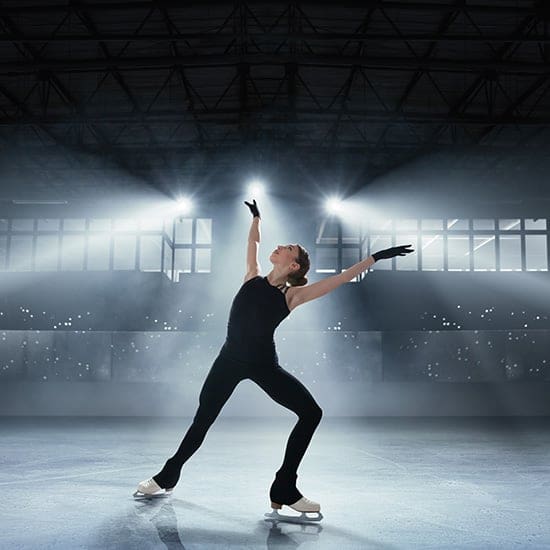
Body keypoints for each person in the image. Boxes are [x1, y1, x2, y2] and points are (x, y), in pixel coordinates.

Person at [134, 200, 414, 516]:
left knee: (311, 413)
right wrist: (256, 218)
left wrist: (374, 258)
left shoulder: (292, 296)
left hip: (264, 365)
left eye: (287, 248)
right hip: (228, 361)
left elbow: (339, 279)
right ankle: (168, 474)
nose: (278, 247)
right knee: (203, 419)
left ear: (293, 265)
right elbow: (253, 241)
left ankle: (284, 486)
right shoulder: (251, 276)